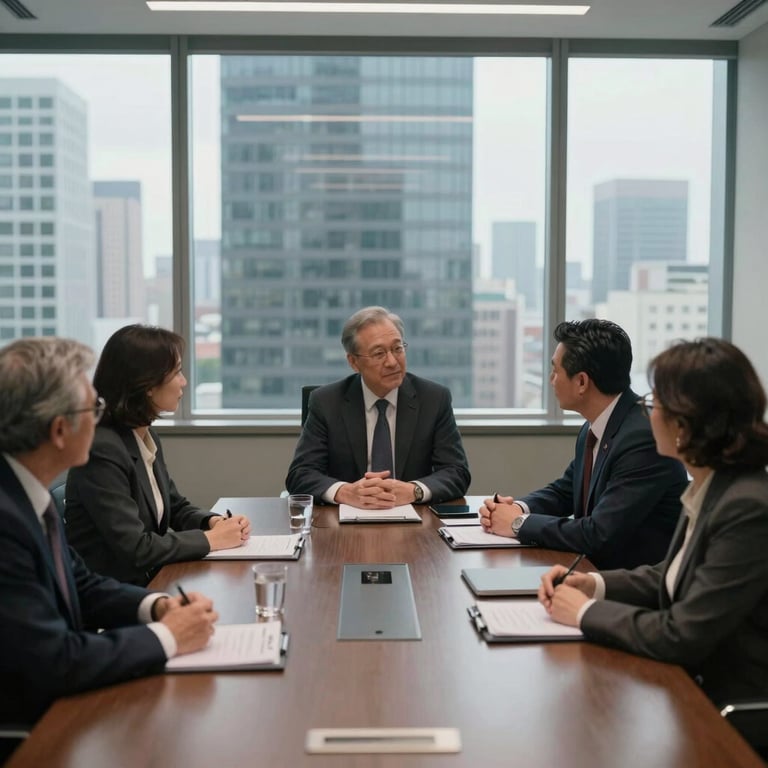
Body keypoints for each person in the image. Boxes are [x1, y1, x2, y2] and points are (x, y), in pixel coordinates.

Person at [0, 337, 218, 739]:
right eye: (93, 408)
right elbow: (55, 661)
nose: (101, 416)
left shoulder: (28, 494)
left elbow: (80, 583)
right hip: (36, 728)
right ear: (60, 429)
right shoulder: (6, 521)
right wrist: (169, 636)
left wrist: (158, 606)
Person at [539, 338, 768, 705]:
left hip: (727, 711)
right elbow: (672, 574)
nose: (648, 413)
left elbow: (682, 634)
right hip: (690, 688)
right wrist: (592, 585)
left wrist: (584, 612)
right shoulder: (717, 486)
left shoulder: (747, 507)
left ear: (689, 420)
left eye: (655, 402)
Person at [480, 319, 687, 569]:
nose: (551, 379)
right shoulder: (598, 425)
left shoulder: (642, 438)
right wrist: (515, 508)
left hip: (629, 586)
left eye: (556, 371)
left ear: (581, 382)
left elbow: (599, 533)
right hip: (591, 571)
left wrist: (518, 523)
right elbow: (565, 491)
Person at [65, 325, 250, 586]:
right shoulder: (102, 448)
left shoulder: (142, 434)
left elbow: (174, 506)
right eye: (177, 372)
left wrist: (213, 522)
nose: (184, 381)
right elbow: (137, 548)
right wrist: (212, 540)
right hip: (114, 597)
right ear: (148, 385)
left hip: (150, 581)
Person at [285, 306, 471, 508]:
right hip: (345, 523)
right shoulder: (327, 402)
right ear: (354, 362)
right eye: (379, 353)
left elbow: (457, 472)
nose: (392, 362)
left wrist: (413, 490)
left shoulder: (434, 399)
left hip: (415, 521)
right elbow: (300, 475)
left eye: (397, 348)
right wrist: (345, 492)